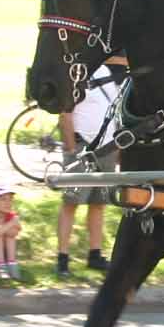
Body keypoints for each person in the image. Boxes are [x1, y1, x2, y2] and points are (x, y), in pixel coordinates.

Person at [56, 62, 120, 277]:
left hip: (107, 148)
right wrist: (73, 148)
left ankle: (95, 254)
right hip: (82, 146)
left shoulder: (106, 72)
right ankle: (62, 257)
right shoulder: (76, 72)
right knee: (71, 202)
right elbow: (65, 113)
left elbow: (115, 108)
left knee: (99, 203)